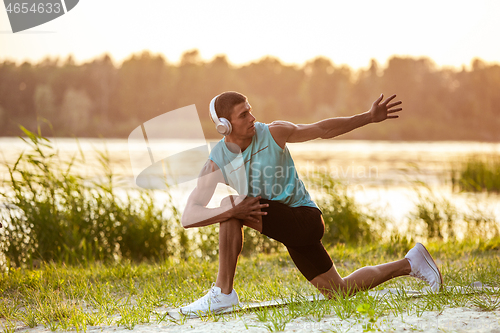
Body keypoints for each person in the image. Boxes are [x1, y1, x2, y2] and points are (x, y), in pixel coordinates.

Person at [179, 91, 442, 315]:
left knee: (230, 205)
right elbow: (189, 216)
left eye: (250, 111)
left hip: (305, 219)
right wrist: (232, 210)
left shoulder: (273, 133)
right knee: (339, 291)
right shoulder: (216, 161)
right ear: (225, 125)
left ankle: (223, 292)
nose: (252, 118)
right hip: (287, 228)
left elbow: (322, 129)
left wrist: (368, 117)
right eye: (243, 115)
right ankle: (411, 262)